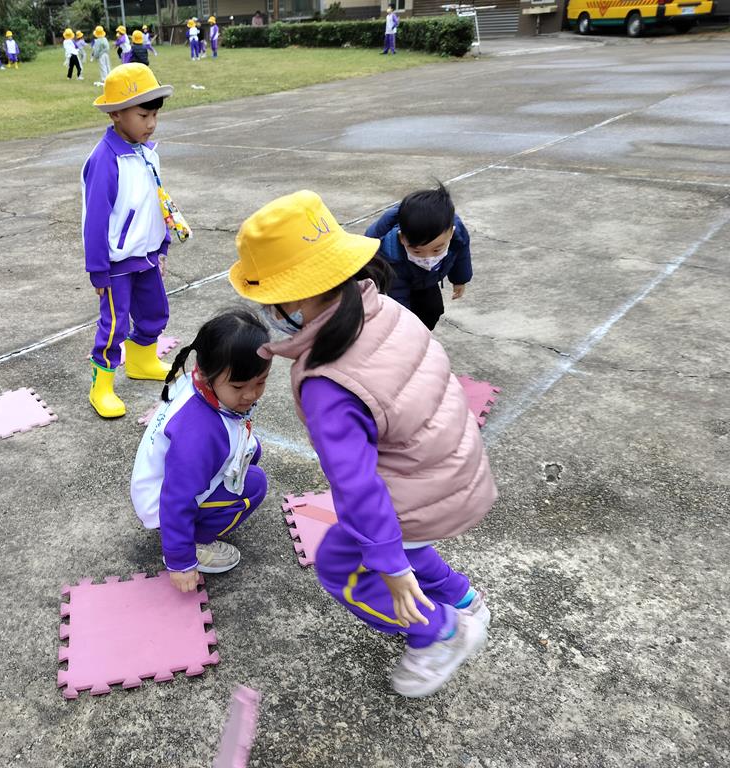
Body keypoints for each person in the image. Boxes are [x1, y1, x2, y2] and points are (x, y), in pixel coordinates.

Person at [229, 190, 495, 698]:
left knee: (341, 563)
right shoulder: (384, 308)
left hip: (418, 489)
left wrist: (388, 564)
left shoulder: (327, 382)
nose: (265, 311)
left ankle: (440, 632)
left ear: (292, 299)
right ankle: (463, 599)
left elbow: (357, 483)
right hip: (454, 466)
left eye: (265, 299)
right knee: (405, 545)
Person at [132, 310, 270, 591]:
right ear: (208, 376)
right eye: (238, 386)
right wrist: (180, 561)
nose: (251, 394)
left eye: (260, 382)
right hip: (163, 504)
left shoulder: (196, 383)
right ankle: (197, 542)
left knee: (252, 451)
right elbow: (176, 498)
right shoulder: (199, 433)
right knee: (255, 484)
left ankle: (197, 525)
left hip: (165, 481)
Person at [82, 64, 179, 418]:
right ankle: (102, 387)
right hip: (117, 263)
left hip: (147, 255)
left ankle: (142, 361)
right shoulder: (105, 160)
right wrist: (98, 270)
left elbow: (156, 201)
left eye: (154, 115)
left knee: (155, 312)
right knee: (114, 325)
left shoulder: (147, 152)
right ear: (116, 114)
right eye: (143, 115)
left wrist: (161, 245)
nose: (151, 123)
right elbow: (95, 220)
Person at [364, 184, 472, 331]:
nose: (428, 258)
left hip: (428, 279)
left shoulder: (458, 237)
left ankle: (424, 332)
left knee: (433, 310)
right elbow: (398, 296)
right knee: (403, 317)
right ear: (402, 238)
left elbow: (461, 256)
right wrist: (406, 327)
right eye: (417, 251)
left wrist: (460, 280)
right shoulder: (391, 257)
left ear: (451, 234)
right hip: (400, 281)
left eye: (437, 249)